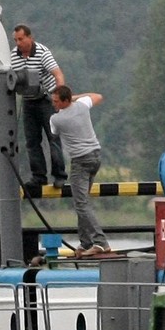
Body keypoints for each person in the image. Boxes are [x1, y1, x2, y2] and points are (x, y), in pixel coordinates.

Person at [50, 85, 111, 257]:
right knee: (81, 202)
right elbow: (97, 95)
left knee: (81, 204)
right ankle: (85, 243)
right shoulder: (83, 105)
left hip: (80, 161)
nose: (53, 104)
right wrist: (75, 97)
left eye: (56, 101)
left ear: (64, 101)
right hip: (95, 157)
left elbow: (53, 134)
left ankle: (100, 242)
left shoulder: (56, 119)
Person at [10, 24, 67, 188]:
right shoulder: (14, 56)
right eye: (16, 40)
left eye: (21, 39)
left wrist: (59, 99)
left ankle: (59, 175)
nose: (18, 43)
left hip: (46, 100)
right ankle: (39, 177)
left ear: (30, 38)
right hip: (28, 101)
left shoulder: (42, 52)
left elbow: (58, 74)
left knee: (53, 138)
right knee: (32, 141)